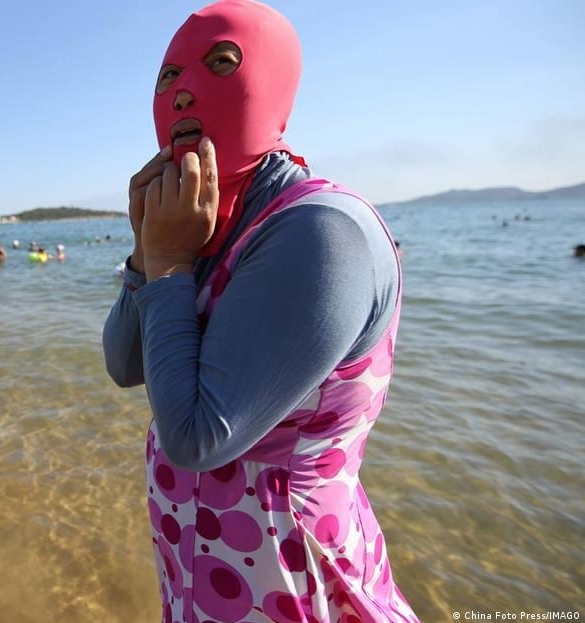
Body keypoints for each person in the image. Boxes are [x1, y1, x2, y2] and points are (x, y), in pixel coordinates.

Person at [101, 3, 418, 621]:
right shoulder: (202, 221)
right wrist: (146, 251)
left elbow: (197, 438)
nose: (183, 91)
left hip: (292, 578)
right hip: (203, 576)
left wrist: (169, 263)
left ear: (274, 86)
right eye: (168, 76)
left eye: (221, 63)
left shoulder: (322, 231)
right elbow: (124, 364)